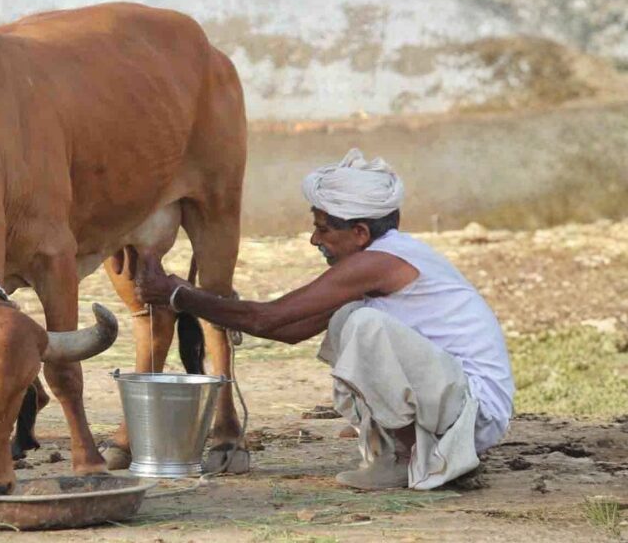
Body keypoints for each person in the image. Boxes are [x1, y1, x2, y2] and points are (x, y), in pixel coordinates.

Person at [135, 148, 514, 490]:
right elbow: (290, 331)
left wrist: (177, 295)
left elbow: (267, 319)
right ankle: (400, 455)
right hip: (455, 402)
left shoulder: (378, 263)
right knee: (348, 318)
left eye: (323, 229)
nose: (315, 241)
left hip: (473, 413)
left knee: (364, 326)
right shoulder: (377, 259)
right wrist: (191, 298)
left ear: (361, 233)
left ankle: (425, 458)